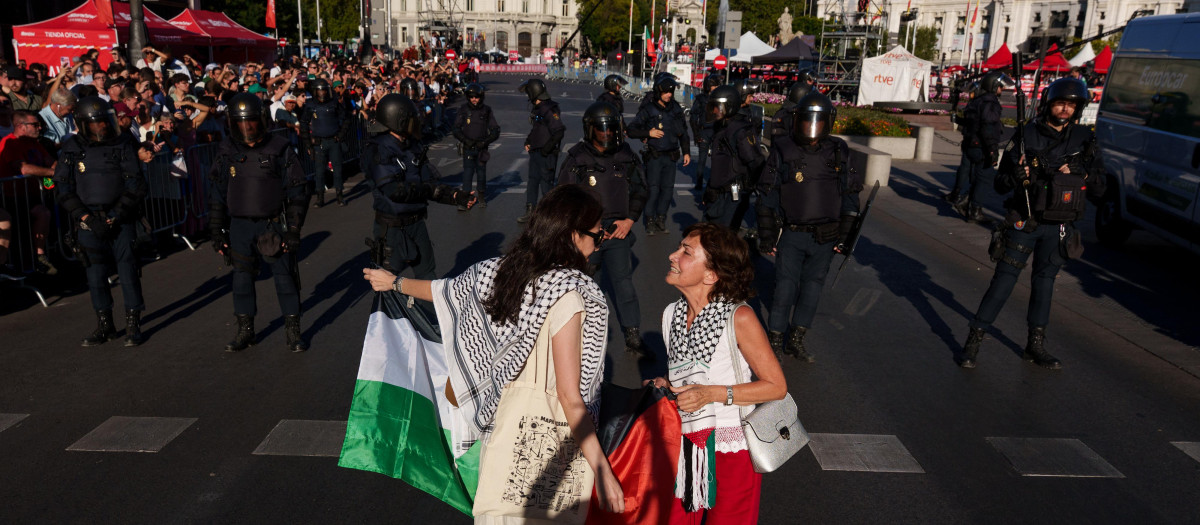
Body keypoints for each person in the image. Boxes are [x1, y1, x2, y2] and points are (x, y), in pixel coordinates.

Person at [362, 185, 626, 519]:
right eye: (596, 236)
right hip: (551, 441)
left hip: (503, 426)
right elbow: (570, 395)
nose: (597, 244)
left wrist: (395, 283)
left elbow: (447, 291)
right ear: (573, 235)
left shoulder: (502, 272)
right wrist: (602, 469)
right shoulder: (571, 295)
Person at [957, 78, 1106, 370]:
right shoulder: (1027, 135)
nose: (1065, 109)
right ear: (1049, 104)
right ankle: (974, 339)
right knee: (1003, 281)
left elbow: (1101, 190)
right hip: (1025, 220)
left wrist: (1080, 173)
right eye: (1060, 103)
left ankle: (1034, 344)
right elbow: (1000, 184)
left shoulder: (1085, 140)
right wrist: (1017, 174)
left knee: (1045, 284)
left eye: (1071, 105)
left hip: (1060, 225)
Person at [647, 221, 786, 524]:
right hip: (686, 444)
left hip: (731, 450)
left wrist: (711, 394)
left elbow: (776, 387)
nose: (673, 255)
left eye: (685, 251)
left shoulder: (739, 316)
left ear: (711, 274)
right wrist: (666, 386)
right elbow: (690, 378)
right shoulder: (670, 314)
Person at [756, 92, 861, 362]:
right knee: (785, 288)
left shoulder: (838, 150)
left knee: (812, 288)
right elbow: (767, 194)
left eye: (817, 121)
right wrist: (768, 236)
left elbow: (850, 195)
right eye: (806, 121)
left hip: (826, 236)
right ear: (797, 120)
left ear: (828, 122)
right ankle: (776, 339)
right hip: (792, 232)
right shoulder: (783, 148)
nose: (811, 128)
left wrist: (845, 236)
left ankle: (797, 339)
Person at [209, 93, 312, 353]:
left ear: (262, 121)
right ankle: (246, 330)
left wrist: (293, 231)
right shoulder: (227, 150)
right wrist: (217, 230)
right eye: (241, 123)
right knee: (242, 280)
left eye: (252, 122)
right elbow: (218, 193)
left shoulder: (279, 147)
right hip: (240, 226)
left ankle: (293, 331)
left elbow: (298, 191)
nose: (247, 128)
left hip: (272, 225)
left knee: (284, 279)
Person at [53, 96, 147, 347]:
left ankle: (133, 323)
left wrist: (115, 216)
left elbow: (135, 184)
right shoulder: (72, 147)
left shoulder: (123, 143)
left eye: (105, 122)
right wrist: (85, 218)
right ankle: (105, 324)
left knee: (127, 270)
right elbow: (63, 188)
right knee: (95, 274)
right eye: (95, 123)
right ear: (83, 124)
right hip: (88, 221)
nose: (102, 127)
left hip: (120, 217)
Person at [558, 101, 650, 357]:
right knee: (585, 286)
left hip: (617, 231)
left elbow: (641, 190)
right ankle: (583, 338)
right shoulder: (577, 158)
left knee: (624, 285)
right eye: (601, 130)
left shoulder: (626, 156)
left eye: (611, 129)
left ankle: (633, 337)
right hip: (587, 233)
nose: (607, 134)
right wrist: (582, 229)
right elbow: (563, 196)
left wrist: (630, 219)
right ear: (590, 130)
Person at [362, 94, 473, 278]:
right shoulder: (378, 149)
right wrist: (427, 190)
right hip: (392, 229)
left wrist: (455, 196)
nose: (416, 122)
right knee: (386, 286)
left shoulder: (411, 145)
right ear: (399, 120)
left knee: (427, 277)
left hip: (416, 223)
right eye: (411, 119)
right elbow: (394, 191)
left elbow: (429, 183)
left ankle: (427, 308)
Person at [627, 75, 690, 236]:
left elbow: (683, 132)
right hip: (654, 156)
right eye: (666, 92)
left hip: (671, 156)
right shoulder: (649, 109)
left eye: (671, 91)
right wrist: (648, 132)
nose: (669, 95)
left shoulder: (676, 109)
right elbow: (631, 130)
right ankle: (649, 220)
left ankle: (661, 219)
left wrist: (687, 152)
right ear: (658, 92)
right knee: (653, 190)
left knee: (667, 191)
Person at [0, 110, 58, 275]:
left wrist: (50, 181)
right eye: (35, 124)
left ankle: (48, 253)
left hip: (35, 194)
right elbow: (24, 169)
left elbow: (52, 164)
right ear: (21, 126)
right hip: (14, 198)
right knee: (42, 213)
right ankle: (39, 257)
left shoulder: (34, 143)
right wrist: (52, 174)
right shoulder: (9, 143)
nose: (39, 127)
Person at [948, 71, 1010, 222]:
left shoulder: (978, 101)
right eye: (1000, 87)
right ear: (994, 86)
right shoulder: (990, 103)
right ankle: (975, 210)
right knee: (985, 178)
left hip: (971, 143)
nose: (1002, 90)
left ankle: (965, 201)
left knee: (977, 176)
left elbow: (971, 123)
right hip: (981, 146)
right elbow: (988, 127)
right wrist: (992, 150)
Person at [701, 85, 765, 230]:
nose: (715, 111)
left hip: (732, 196)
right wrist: (710, 189)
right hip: (718, 195)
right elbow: (720, 165)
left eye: (718, 107)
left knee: (723, 239)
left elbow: (756, 162)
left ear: (729, 107)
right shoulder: (721, 128)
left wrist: (748, 186)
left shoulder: (741, 131)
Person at [516, 78, 565, 223]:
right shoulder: (538, 108)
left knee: (546, 184)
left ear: (533, 92)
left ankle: (549, 216)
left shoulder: (549, 109)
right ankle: (530, 211)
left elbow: (559, 131)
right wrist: (529, 141)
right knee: (532, 181)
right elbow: (537, 129)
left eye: (528, 92)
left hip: (546, 154)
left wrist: (547, 149)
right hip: (536, 152)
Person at [300, 78, 350, 207]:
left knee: (338, 170)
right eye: (319, 91)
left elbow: (345, 118)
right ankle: (320, 198)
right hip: (319, 142)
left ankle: (340, 196)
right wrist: (308, 144)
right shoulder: (310, 105)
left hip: (334, 140)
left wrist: (340, 135)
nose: (322, 93)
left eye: (324, 91)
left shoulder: (334, 102)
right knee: (319, 171)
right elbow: (304, 124)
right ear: (315, 92)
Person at [452, 83, 500, 209]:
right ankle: (465, 199)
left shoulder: (486, 110)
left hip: (481, 148)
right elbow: (456, 128)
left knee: (481, 173)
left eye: (477, 97)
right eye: (471, 97)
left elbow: (495, 130)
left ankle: (482, 196)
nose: (474, 99)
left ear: (481, 97)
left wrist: (485, 142)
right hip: (468, 146)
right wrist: (465, 140)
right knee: (467, 173)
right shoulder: (463, 109)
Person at [689, 75, 721, 192]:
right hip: (707, 131)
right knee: (703, 159)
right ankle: (701, 181)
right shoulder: (705, 99)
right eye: (714, 85)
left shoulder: (706, 98)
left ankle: (707, 182)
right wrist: (696, 134)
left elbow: (693, 117)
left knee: (715, 159)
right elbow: (693, 118)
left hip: (715, 131)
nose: (716, 87)